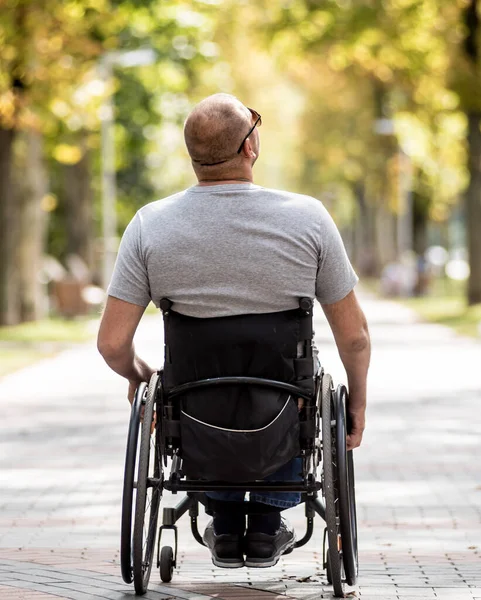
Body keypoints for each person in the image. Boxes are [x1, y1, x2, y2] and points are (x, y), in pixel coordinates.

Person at [97, 93, 371, 569]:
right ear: (250, 146)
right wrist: (358, 405)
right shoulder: (308, 218)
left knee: (191, 389)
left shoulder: (149, 226)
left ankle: (223, 521)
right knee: (302, 378)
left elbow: (111, 343)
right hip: (286, 408)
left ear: (193, 155)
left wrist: (139, 378)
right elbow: (355, 338)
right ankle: (265, 528)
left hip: (195, 410)